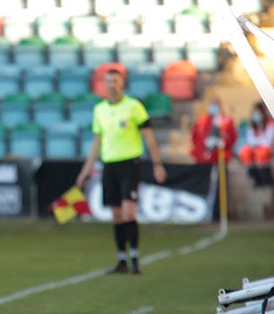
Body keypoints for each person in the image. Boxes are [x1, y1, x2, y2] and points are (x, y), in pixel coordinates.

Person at [75, 69, 167, 274]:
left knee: (129, 211)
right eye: (108, 81)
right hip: (110, 165)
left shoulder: (133, 106)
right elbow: (97, 142)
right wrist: (85, 171)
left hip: (130, 164)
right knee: (116, 215)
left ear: (121, 83)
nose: (111, 84)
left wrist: (157, 163)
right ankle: (121, 260)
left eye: (115, 81)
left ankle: (135, 257)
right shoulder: (100, 110)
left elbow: (149, 137)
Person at [238, 100, 274, 188]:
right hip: (256, 148)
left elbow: (268, 141)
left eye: (258, 112)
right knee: (245, 151)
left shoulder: (270, 124)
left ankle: (264, 174)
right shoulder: (252, 126)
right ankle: (252, 172)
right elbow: (250, 140)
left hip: (267, 149)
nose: (256, 115)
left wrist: (258, 142)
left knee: (262, 153)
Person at [189, 96, 237, 165]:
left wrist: (222, 143)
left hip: (219, 154)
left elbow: (232, 137)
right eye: (212, 105)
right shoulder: (201, 120)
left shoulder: (227, 121)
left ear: (219, 106)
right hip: (202, 153)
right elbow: (195, 136)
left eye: (215, 105)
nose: (213, 107)